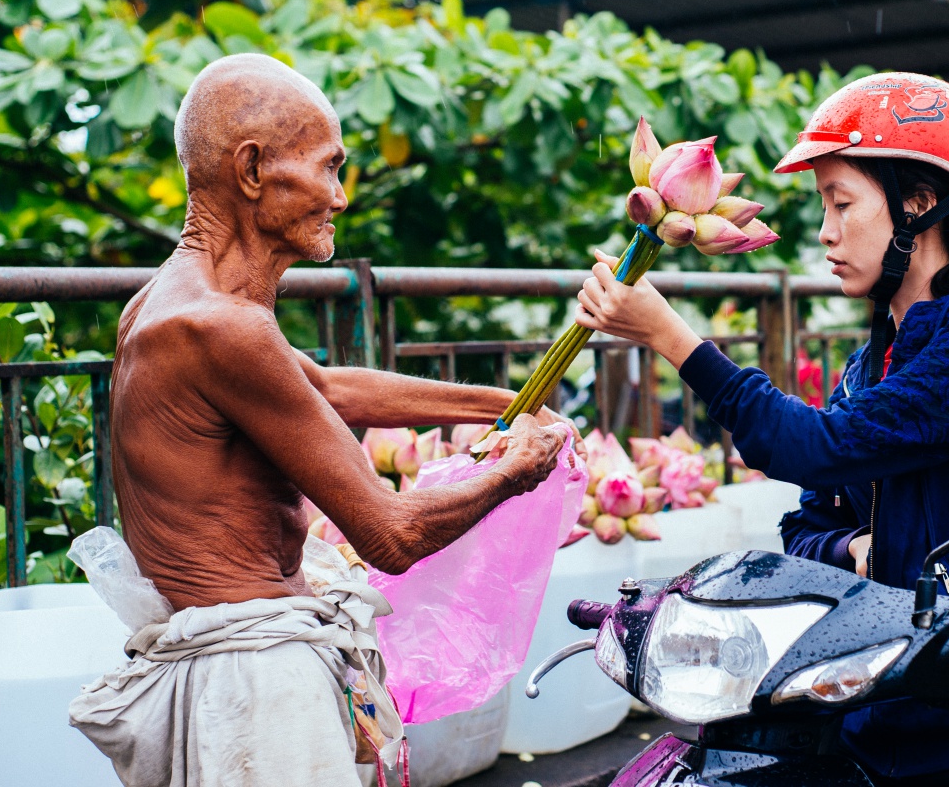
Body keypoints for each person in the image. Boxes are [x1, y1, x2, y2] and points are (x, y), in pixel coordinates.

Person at [573, 71, 949, 786]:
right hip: (879, 719)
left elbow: (817, 450)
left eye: (841, 204)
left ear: (918, 203)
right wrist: (853, 547)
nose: (825, 232)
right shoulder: (872, 362)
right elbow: (805, 525)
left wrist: (671, 337)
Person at [69, 53, 573, 787]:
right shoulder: (221, 328)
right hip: (254, 687)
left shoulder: (169, 303)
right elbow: (392, 536)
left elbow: (327, 390)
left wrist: (510, 406)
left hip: (243, 667)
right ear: (252, 172)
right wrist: (514, 471)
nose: (339, 196)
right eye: (328, 168)